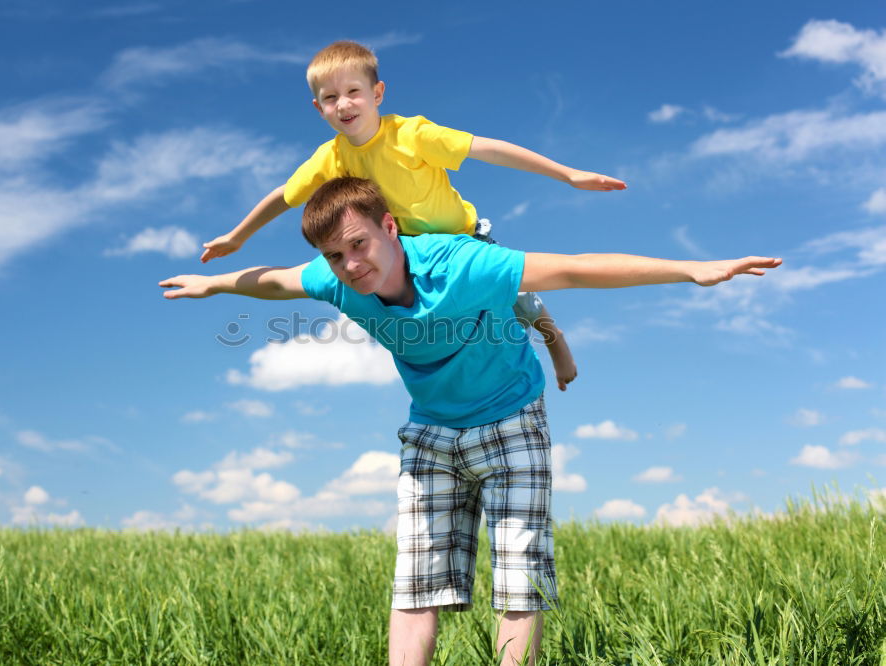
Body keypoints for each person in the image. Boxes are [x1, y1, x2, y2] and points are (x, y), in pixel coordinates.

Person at [161, 177, 781, 666]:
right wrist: (212, 286)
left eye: (359, 245)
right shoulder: (335, 279)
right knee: (416, 581)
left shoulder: (460, 265)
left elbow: (575, 267)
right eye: (334, 255)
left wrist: (690, 269)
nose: (349, 264)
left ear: (390, 227)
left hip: (511, 413)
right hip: (431, 428)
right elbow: (273, 282)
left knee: (517, 572)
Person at [198, 40, 627, 391]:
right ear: (319, 109)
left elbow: (488, 148)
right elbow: (283, 196)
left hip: (462, 240)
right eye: (330, 98)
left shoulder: (412, 135)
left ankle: (557, 347)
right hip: (407, 255)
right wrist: (237, 237)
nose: (344, 104)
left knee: (520, 297)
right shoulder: (328, 158)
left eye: (353, 92)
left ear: (377, 94)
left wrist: (567, 174)